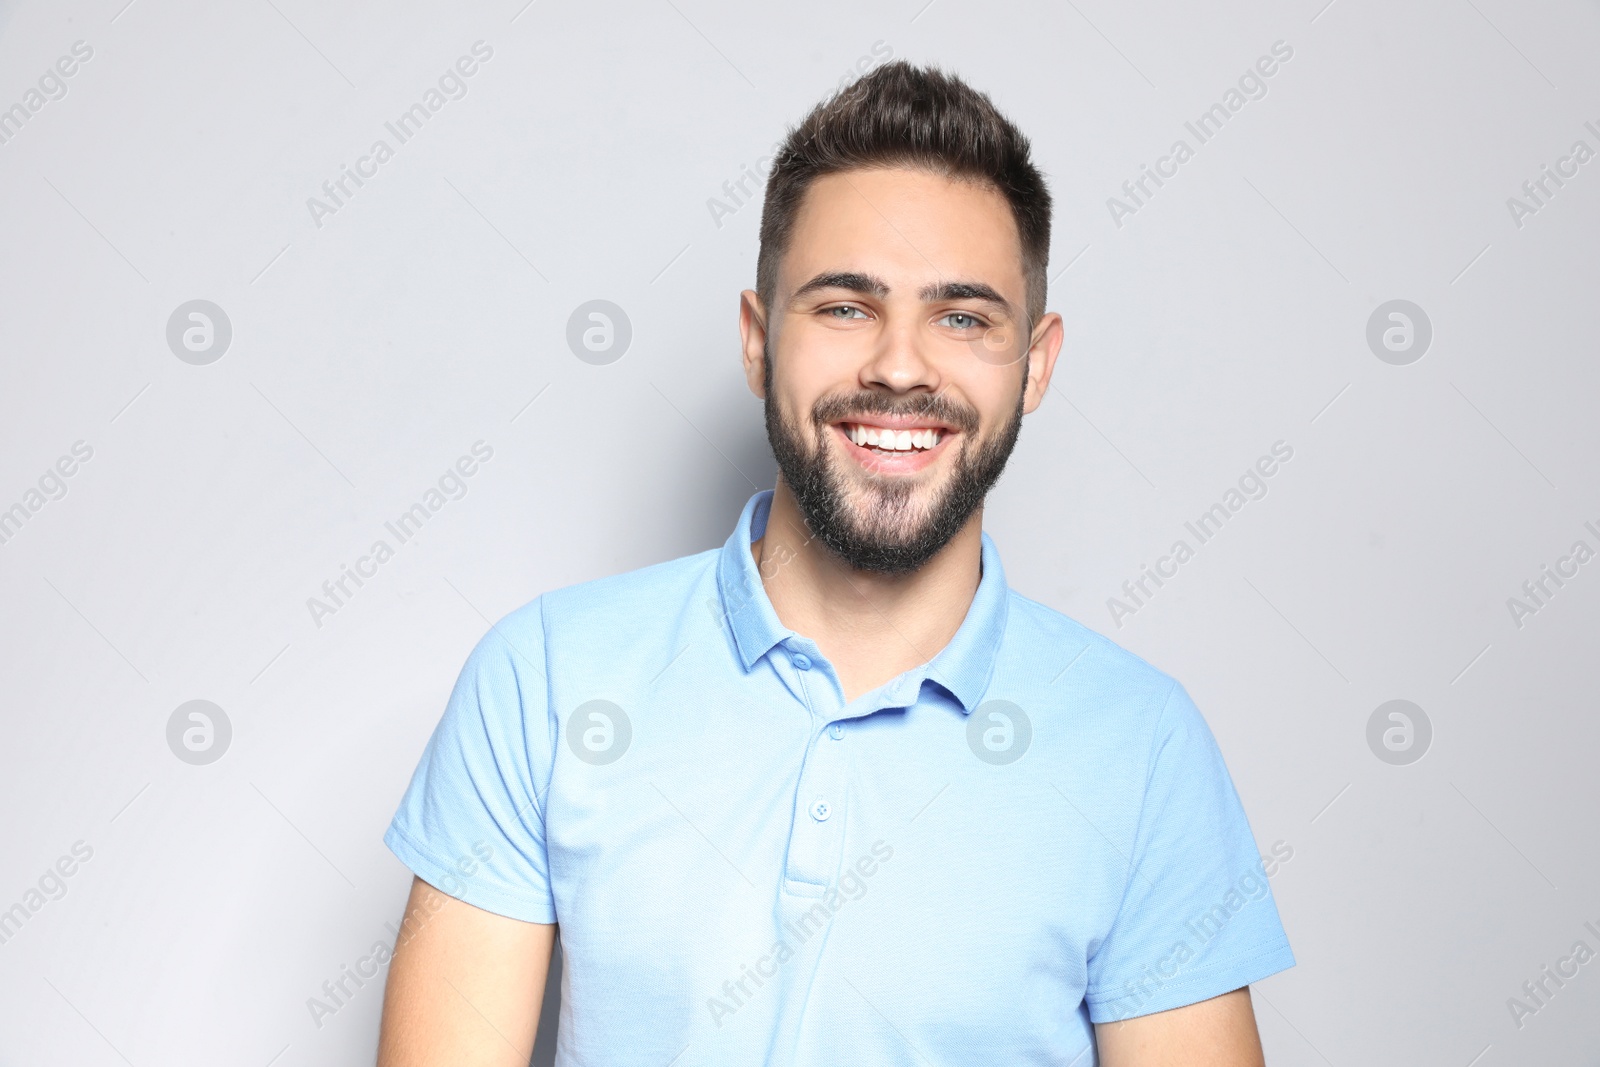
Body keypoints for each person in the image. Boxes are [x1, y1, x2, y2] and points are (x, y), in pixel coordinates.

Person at [376, 60, 1294, 1066]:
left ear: (1033, 364)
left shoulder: (1143, 748)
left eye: (963, 316)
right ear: (759, 342)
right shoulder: (544, 680)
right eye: (845, 306)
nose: (898, 365)